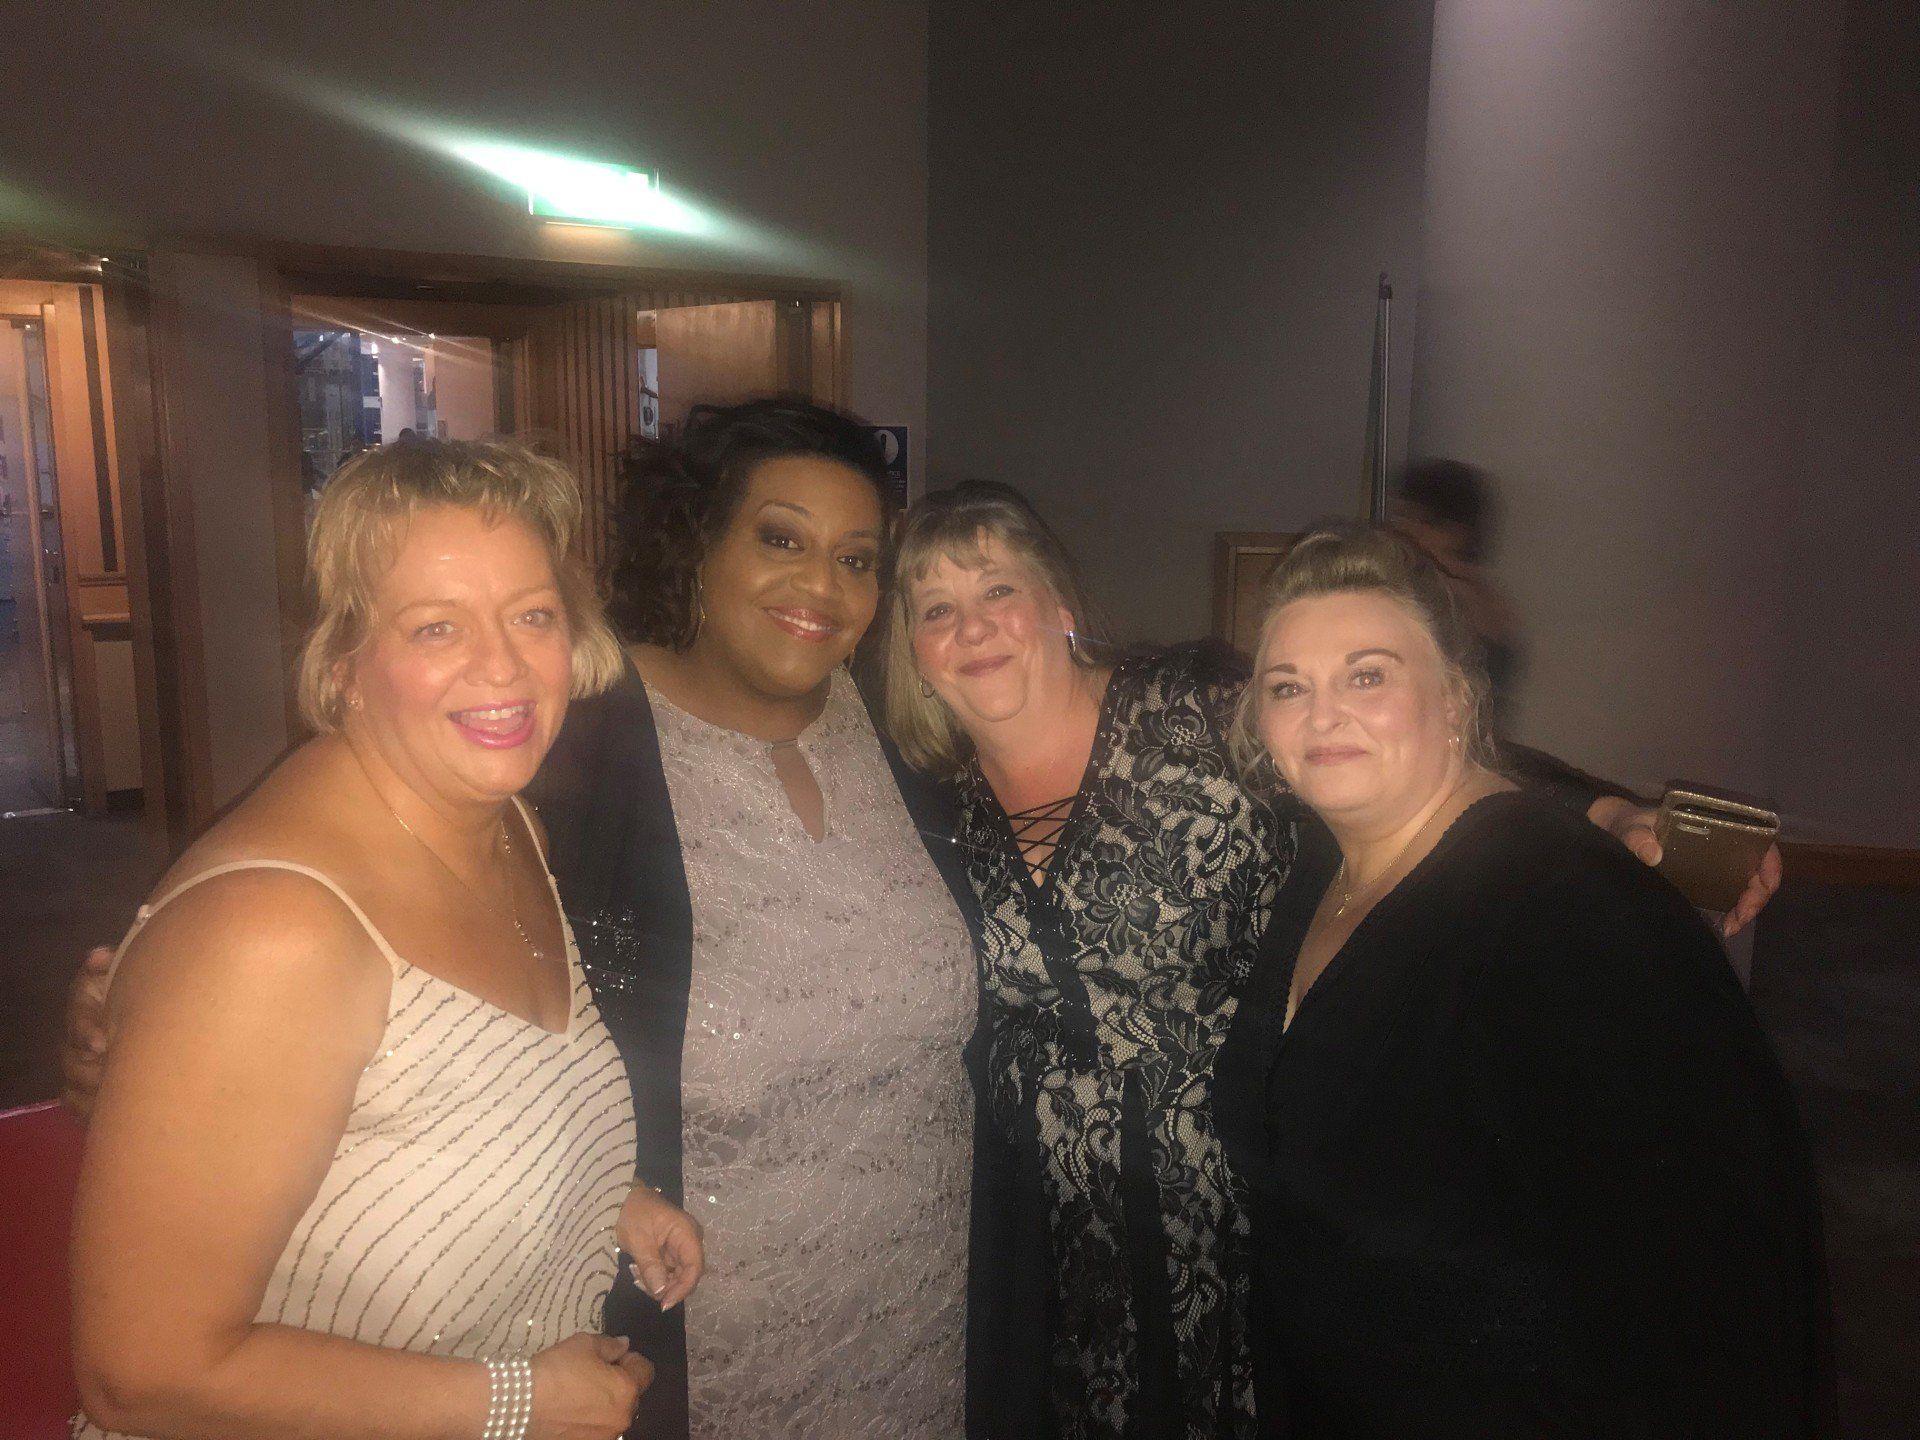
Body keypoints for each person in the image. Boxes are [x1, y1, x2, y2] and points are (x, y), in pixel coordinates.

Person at [882, 482, 1784, 1440]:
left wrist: (1604, 812)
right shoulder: (932, 808)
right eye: (937, 610)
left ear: (1058, 608)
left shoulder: (1191, 709)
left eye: (997, 591)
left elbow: (1401, 758)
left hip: (1255, 1215)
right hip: (1064, 1241)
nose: (972, 627)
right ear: (913, 649)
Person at [69, 440, 704, 1440]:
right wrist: (519, 1402)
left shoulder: (506, 828)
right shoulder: (274, 934)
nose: (502, 665)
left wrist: (596, 1190)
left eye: (532, 615)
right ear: (344, 662)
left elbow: (441, 1097)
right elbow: (141, 1375)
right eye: (436, 626)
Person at [1212, 523, 1827, 1437]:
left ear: (1457, 698)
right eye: (1288, 687)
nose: (1323, 714)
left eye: (1368, 675)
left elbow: (1726, 1282)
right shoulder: (1315, 867)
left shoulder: (1575, 913)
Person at [527, 399, 979, 1438]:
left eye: (857, 560)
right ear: (695, 546)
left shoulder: (911, 740)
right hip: (698, 1337)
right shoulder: (576, 743)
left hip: (928, 1318)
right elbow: (424, 944)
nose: (822, 586)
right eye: (781, 539)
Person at [1390, 458, 1524, 731]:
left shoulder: (1449, 595)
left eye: (1415, 519)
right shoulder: (1487, 595)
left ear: (1455, 531)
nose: (1402, 530)